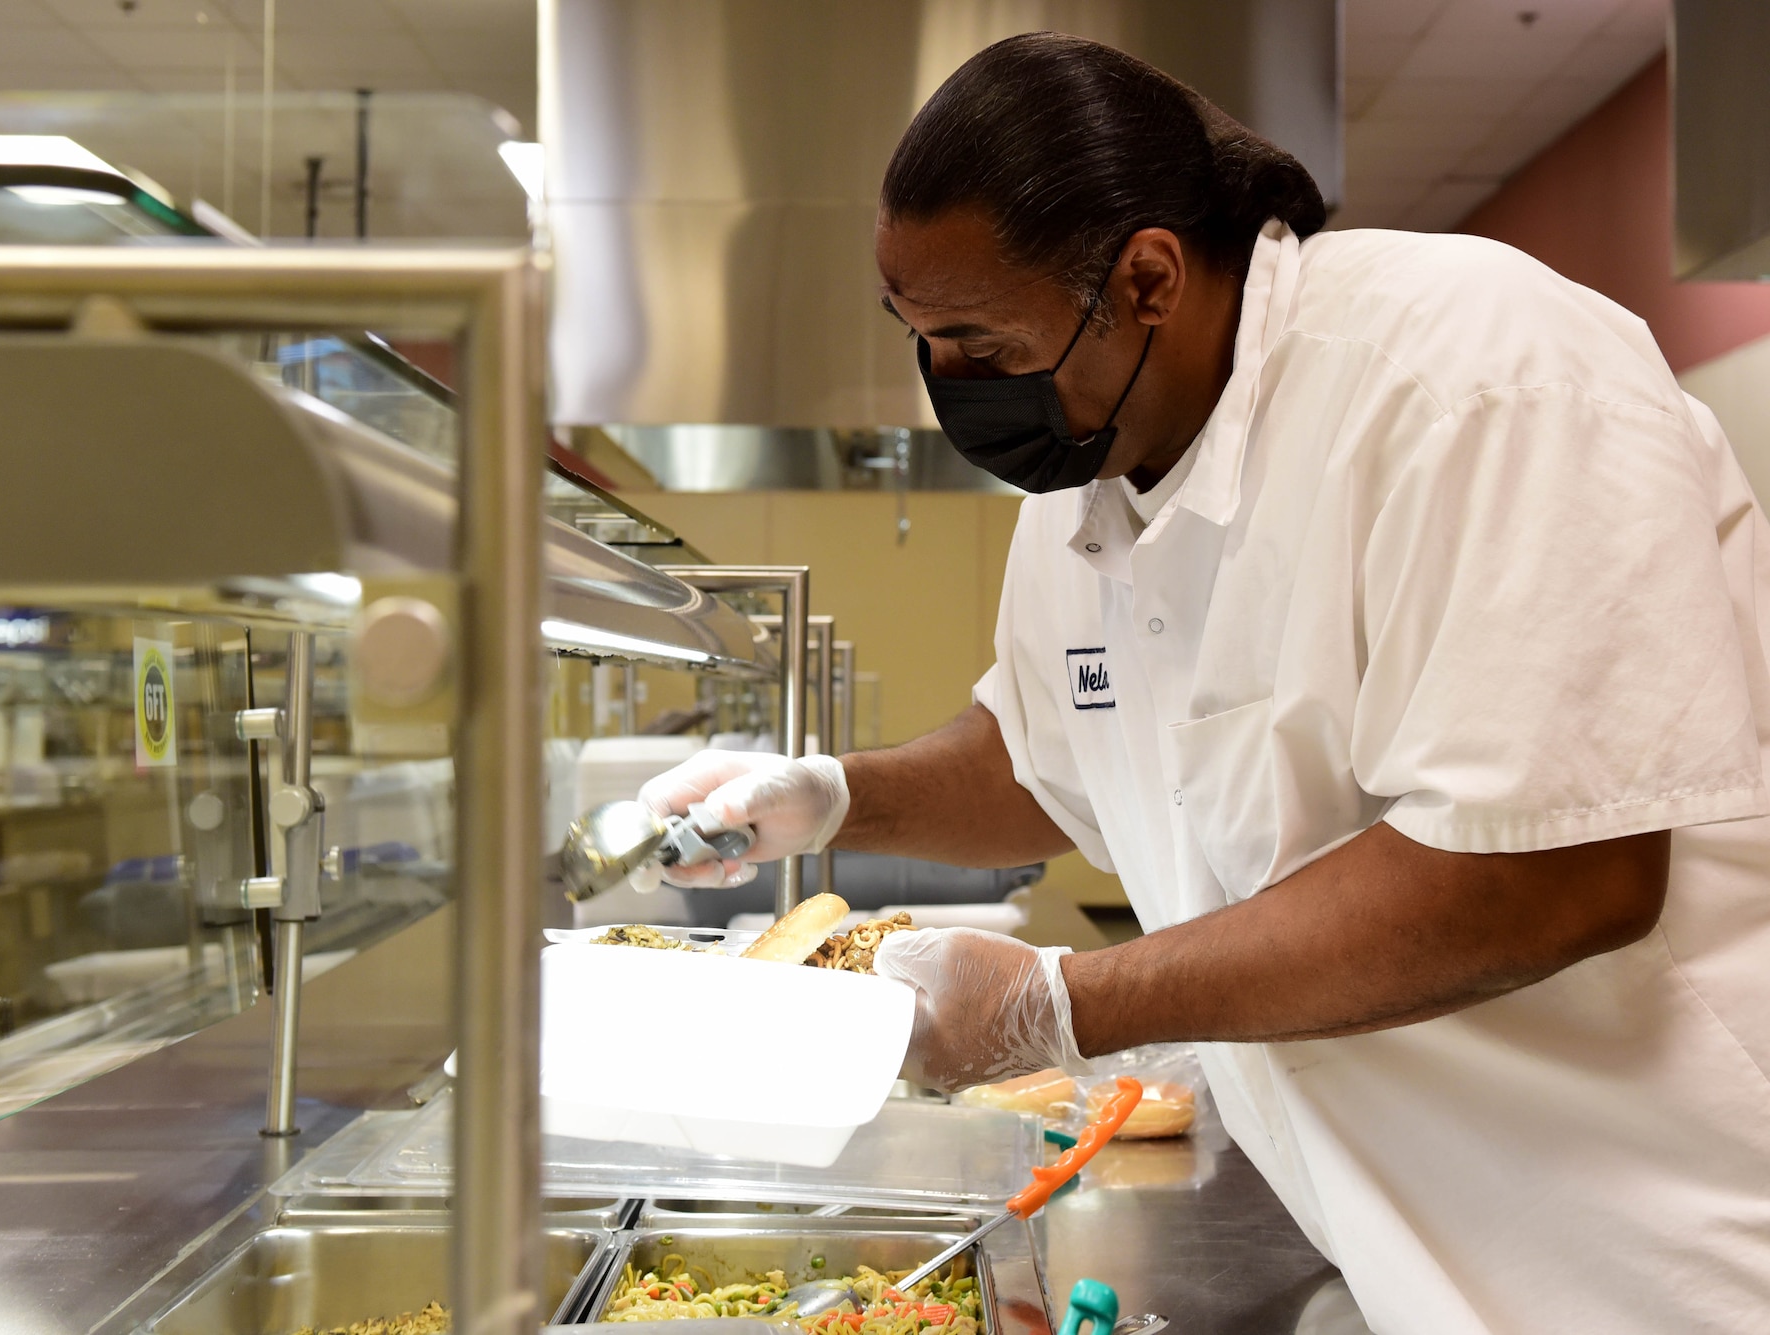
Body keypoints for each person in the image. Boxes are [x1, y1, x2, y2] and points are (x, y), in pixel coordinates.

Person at [635, 32, 1770, 1335]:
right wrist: (832, 797)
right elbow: (1050, 754)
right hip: (1419, 1253)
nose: (953, 386)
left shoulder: (1470, 376)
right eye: (921, 340)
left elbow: (1552, 871)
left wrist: (1058, 1005)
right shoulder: (1091, 477)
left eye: (982, 341)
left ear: (1149, 279)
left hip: (1660, 1253)